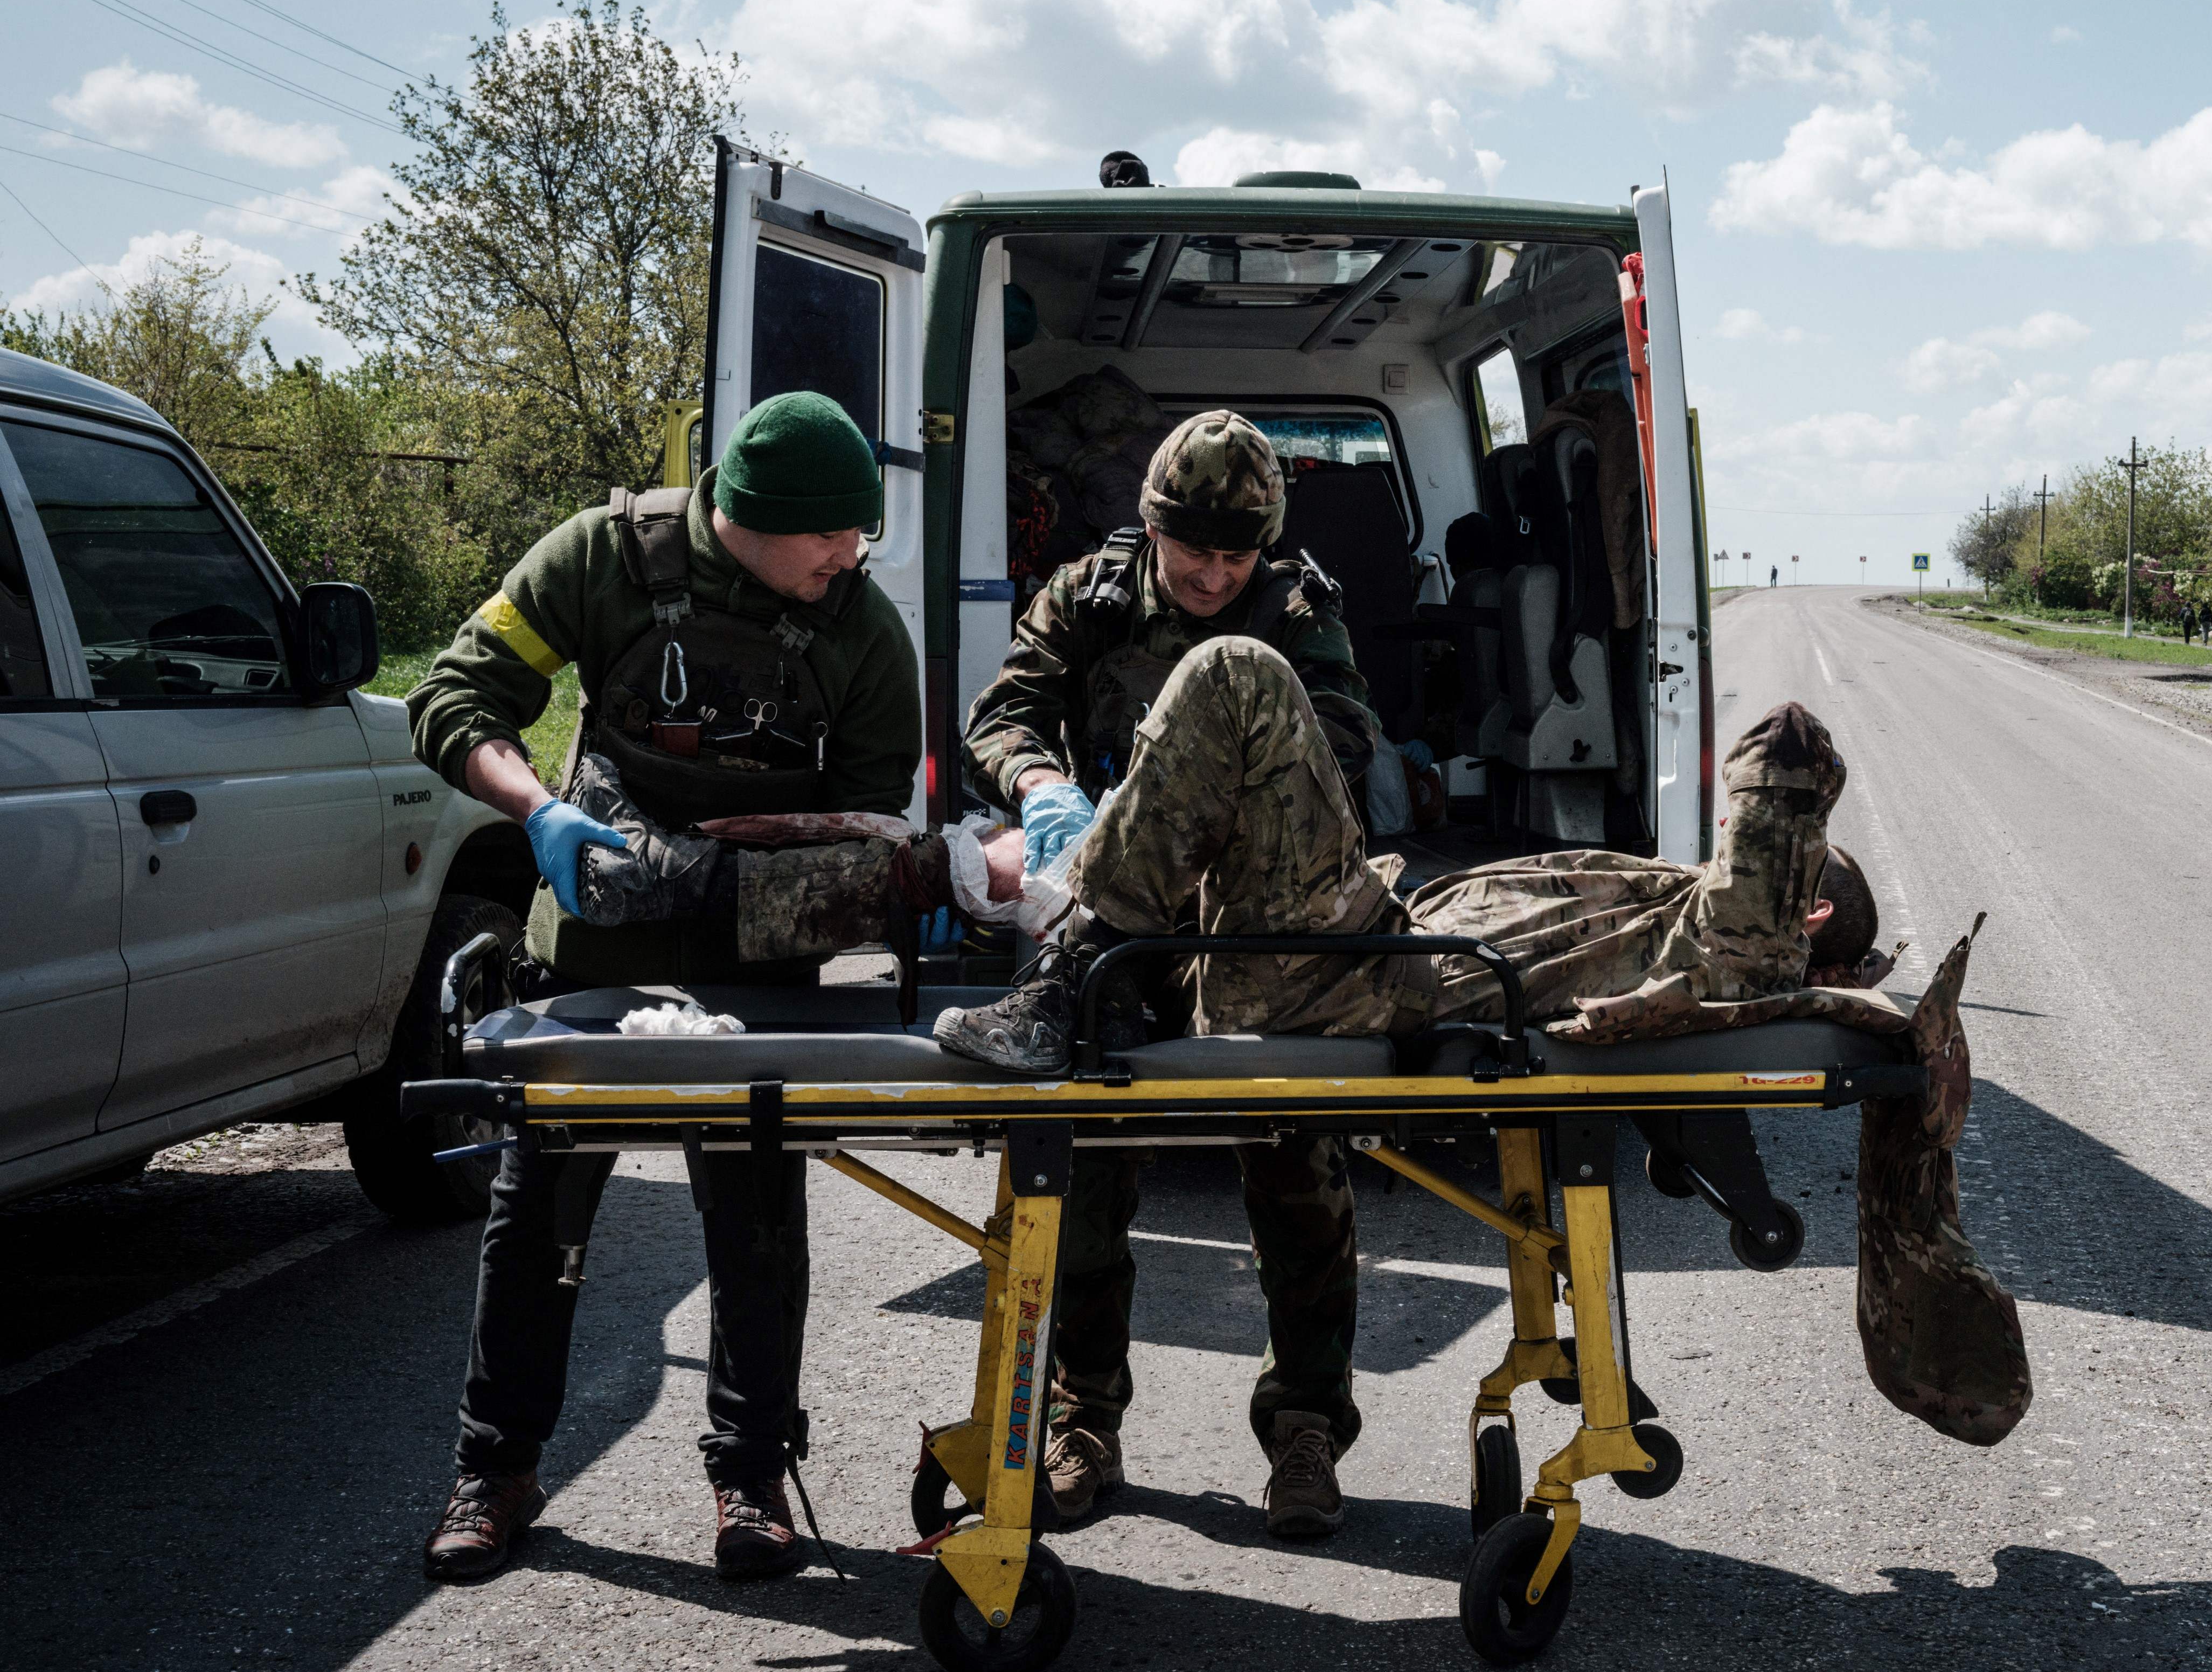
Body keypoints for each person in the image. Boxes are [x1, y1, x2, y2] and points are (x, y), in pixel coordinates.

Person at [933, 603, 1869, 1529]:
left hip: (1361, 974)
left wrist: (1800, 875)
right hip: (1355, 945)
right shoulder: (1679, 912)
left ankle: (1068, 976)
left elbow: (1783, 750)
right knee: (1105, 1126)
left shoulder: (1734, 945)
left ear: (1801, 911)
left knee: (1235, 669)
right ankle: (1083, 1413)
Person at [405, 392, 921, 1585]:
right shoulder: (603, 560)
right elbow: (453, 697)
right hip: (593, 957)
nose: (852, 557)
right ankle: (497, 1469)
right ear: (744, 517)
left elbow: (873, 823)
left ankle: (751, 1480)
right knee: (538, 1218)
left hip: (757, 969)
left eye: (859, 536)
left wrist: (773, 880)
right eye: (830, 537)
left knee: (755, 1223)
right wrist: (538, 812)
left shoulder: (861, 631)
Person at [958, 410, 1382, 1541]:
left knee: (1298, 1170)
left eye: (1234, 555)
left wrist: (1213, 786)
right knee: (1082, 1177)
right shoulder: (1089, 596)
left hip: (1248, 925)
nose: (1210, 573)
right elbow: (1002, 715)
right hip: (1111, 919)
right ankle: (1081, 1417)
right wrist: (1043, 786)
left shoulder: (1293, 614)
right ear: (1150, 528)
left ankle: (1306, 1423)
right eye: (1192, 550)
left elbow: (1344, 752)